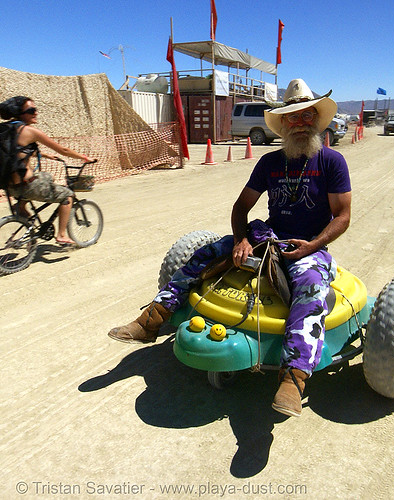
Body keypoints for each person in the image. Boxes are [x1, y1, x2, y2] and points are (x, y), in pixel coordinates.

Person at [108, 78, 352, 417]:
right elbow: (242, 208)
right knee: (204, 254)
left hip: (307, 245)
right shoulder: (268, 163)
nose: (299, 123)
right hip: (268, 237)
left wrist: (313, 245)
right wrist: (241, 240)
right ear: (283, 124)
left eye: (306, 116)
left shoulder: (332, 162)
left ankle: (293, 378)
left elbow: (342, 216)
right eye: (292, 117)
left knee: (310, 287)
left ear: (316, 119)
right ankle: (152, 320)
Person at [0, 96, 97, 245]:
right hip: (28, 185)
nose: (36, 113)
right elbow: (63, 150)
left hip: (9, 186)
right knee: (67, 196)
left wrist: (45, 155)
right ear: (20, 113)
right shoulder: (30, 131)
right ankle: (62, 235)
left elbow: (15, 151)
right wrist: (84, 157)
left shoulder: (5, 130)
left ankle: (21, 208)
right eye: (31, 110)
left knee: (46, 176)